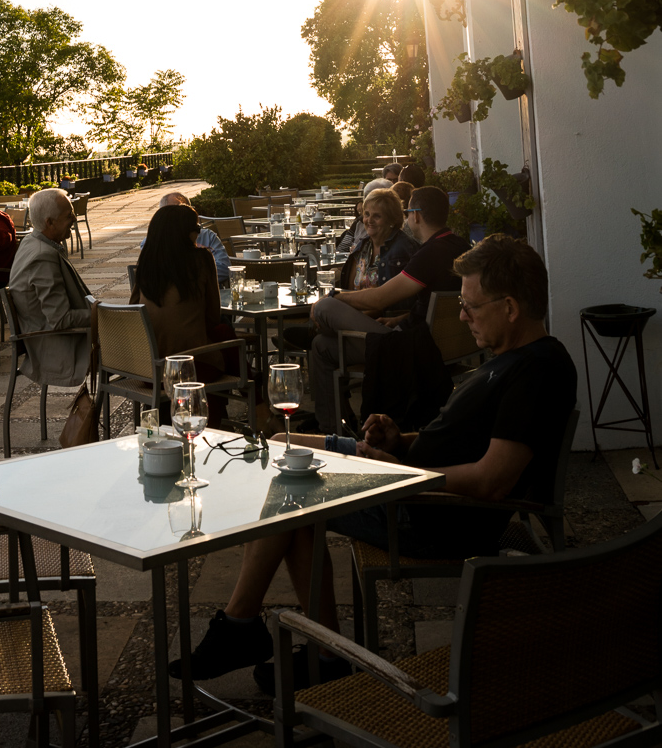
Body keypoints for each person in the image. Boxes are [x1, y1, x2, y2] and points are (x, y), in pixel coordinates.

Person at [171, 235, 577, 691]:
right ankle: (309, 651)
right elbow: (470, 442)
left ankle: (243, 627)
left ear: (510, 307)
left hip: (429, 511)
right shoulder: (513, 360)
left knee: (287, 488)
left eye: (471, 307)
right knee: (281, 445)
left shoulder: (536, 372)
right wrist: (400, 441)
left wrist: (400, 475)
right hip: (409, 474)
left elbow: (490, 480)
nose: (461, 317)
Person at [308, 184, 471, 432]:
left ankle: (312, 327)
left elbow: (379, 300)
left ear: (415, 215)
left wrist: (334, 296)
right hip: (438, 342)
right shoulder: (459, 246)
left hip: (410, 349)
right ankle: (335, 431)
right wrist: (397, 320)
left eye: (407, 213)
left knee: (325, 308)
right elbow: (429, 306)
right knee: (321, 346)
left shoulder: (429, 253)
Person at [130, 203, 254, 427]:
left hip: (148, 371)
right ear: (185, 233)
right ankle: (246, 406)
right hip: (188, 369)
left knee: (223, 335)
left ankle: (219, 416)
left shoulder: (146, 263)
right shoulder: (201, 260)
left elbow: (134, 313)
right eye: (197, 228)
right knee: (224, 334)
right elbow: (212, 317)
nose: (199, 233)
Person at [286, 188, 414, 354]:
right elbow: (351, 289)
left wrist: (340, 308)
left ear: (392, 220)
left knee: (325, 306)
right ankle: (317, 334)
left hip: (382, 324)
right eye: (366, 214)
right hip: (357, 316)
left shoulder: (403, 250)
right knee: (320, 344)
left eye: (377, 216)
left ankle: (316, 330)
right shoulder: (363, 245)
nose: (369, 220)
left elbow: (386, 301)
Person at [7, 189, 93, 386]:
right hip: (60, 347)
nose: (74, 219)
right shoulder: (42, 256)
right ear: (49, 223)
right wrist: (99, 313)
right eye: (68, 215)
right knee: (135, 352)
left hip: (54, 337)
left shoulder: (31, 240)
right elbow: (60, 319)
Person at [156, 189, 231, 285]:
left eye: (186, 210)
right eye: (176, 211)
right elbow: (155, 274)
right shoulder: (154, 242)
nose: (182, 215)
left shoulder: (206, 236)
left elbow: (224, 269)